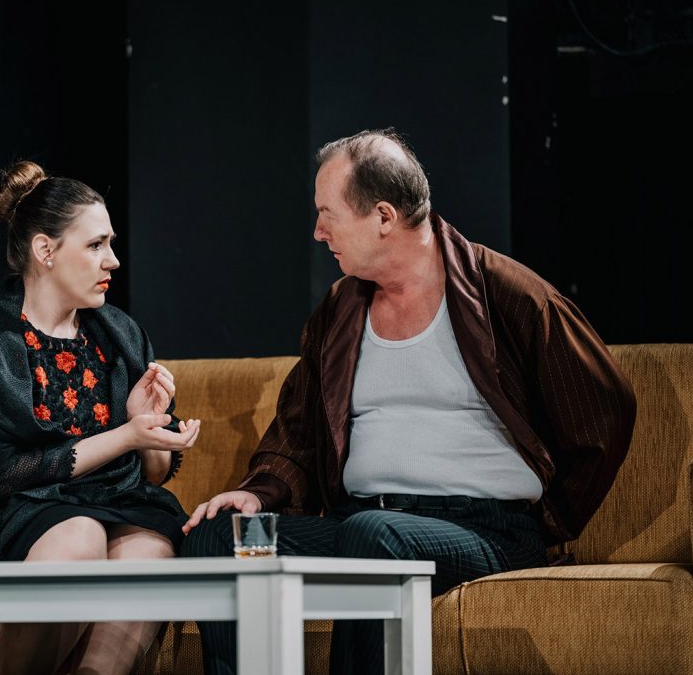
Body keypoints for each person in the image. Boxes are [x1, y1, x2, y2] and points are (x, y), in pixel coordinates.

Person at [180, 128, 636, 674]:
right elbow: (299, 427)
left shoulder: (505, 293)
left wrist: (551, 519)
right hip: (363, 523)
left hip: (485, 531)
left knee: (374, 536)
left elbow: (605, 407)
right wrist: (257, 494)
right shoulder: (341, 309)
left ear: (382, 216)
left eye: (327, 214)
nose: (318, 232)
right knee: (218, 539)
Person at [0, 160, 201, 675]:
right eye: (95, 245)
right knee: (79, 536)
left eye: (111, 244)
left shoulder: (119, 335)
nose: (113, 260)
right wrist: (124, 436)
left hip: (99, 503)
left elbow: (151, 478)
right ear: (45, 251)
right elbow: (1, 475)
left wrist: (146, 431)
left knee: (151, 546)